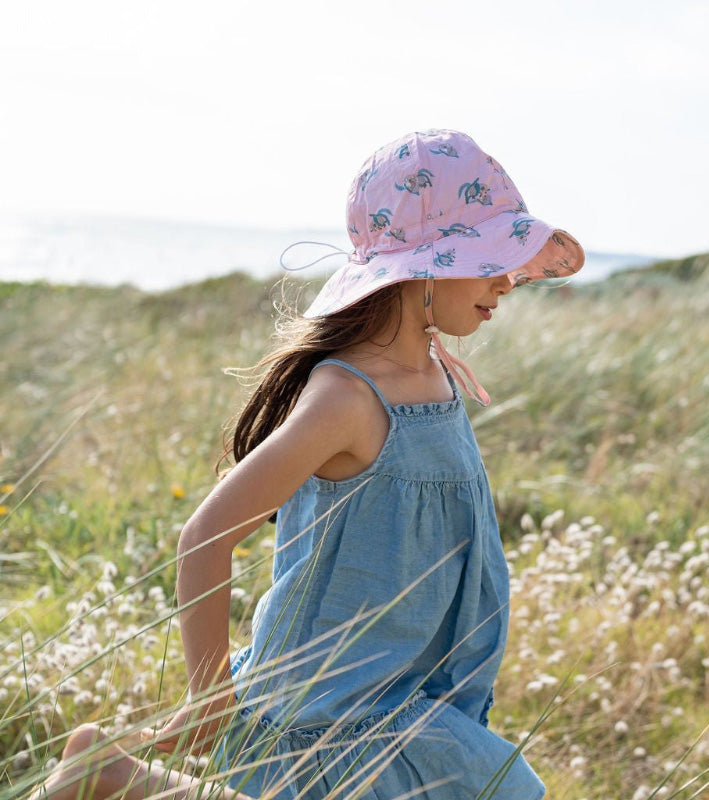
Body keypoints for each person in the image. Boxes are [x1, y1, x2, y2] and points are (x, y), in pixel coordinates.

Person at [33, 129, 584, 800]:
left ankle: (113, 771)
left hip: (395, 690)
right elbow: (204, 537)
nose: (507, 279)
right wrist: (209, 699)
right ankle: (110, 771)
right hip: (326, 701)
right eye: (490, 256)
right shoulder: (346, 398)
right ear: (425, 267)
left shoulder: (439, 375)